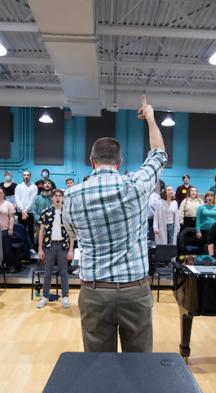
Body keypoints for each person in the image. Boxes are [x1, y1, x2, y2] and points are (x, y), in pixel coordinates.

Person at [63, 95, 167, 353]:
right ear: (119, 163)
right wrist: (151, 119)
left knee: (98, 364)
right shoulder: (136, 185)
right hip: (135, 292)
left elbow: (73, 233)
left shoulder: (72, 195)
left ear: (92, 161)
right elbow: (159, 155)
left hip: (94, 292)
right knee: (140, 363)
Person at [36, 189, 74, 309]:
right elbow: (41, 231)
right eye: (55, 196)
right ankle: (45, 297)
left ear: (63, 198)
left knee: (64, 273)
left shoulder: (67, 213)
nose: (57, 198)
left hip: (63, 246)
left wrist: (71, 250)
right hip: (49, 246)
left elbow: (71, 233)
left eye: (60, 196)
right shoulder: (45, 212)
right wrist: (40, 249)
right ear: (52, 198)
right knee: (47, 273)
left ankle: (65, 297)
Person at [0, 188, 18, 272]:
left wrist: (11, 228)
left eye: (0, 193)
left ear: (3, 194)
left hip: (5, 230)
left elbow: (11, 218)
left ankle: (10, 266)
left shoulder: (9, 204)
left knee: (7, 250)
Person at [15, 170, 38, 248]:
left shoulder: (34, 187)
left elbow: (33, 199)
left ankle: (32, 249)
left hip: (30, 212)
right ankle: (23, 249)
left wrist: (26, 210)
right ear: (22, 176)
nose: (26, 176)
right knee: (21, 231)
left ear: (30, 176)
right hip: (20, 212)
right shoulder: (18, 186)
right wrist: (22, 210)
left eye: (28, 175)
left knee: (31, 231)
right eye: (24, 175)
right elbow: (17, 199)